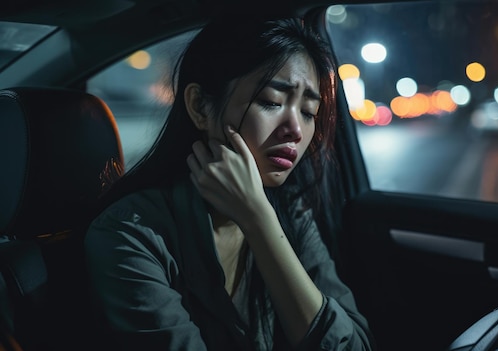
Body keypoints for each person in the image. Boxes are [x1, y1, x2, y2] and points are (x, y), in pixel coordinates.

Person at [84, 12, 376, 351]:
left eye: (309, 112)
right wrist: (257, 216)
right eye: (271, 101)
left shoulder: (290, 212)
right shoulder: (131, 233)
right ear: (200, 107)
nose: (296, 130)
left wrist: (260, 221)